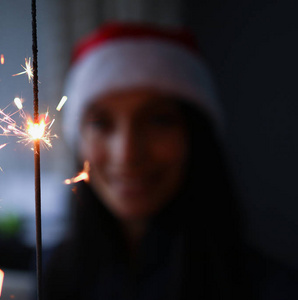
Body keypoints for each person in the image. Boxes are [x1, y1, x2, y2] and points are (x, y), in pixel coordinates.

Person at [42, 22, 298, 300]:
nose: (126, 154)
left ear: (196, 135)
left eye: (158, 120)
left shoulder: (270, 288)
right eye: (101, 123)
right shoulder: (53, 271)